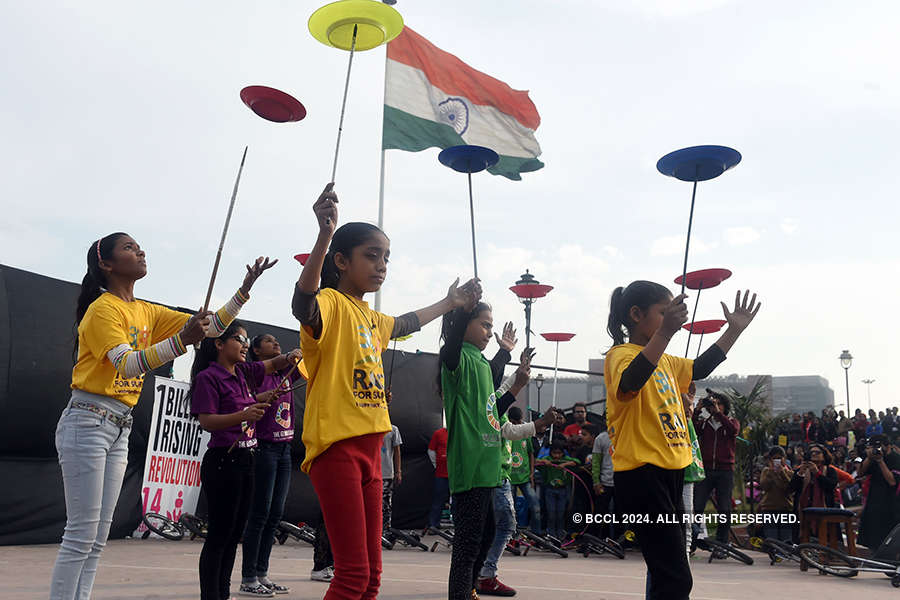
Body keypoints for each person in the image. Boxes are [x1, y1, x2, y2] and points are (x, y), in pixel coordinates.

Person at [50, 232, 270, 600]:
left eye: (138, 247)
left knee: (97, 537)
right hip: (88, 420)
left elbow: (212, 327)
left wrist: (244, 290)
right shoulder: (103, 309)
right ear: (106, 264)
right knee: (81, 535)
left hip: (119, 425)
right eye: (129, 248)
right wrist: (181, 340)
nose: (140, 251)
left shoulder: (145, 310)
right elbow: (128, 364)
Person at [290, 183, 480, 600]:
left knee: (373, 578)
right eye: (371, 256)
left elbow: (408, 322)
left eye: (386, 258)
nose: (381, 265)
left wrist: (450, 302)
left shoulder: (372, 317)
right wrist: (324, 234)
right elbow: (301, 304)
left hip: (373, 448)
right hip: (336, 448)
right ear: (341, 261)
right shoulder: (329, 302)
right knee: (352, 576)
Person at [605, 282, 760, 600]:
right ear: (636, 314)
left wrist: (734, 332)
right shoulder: (620, 355)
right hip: (642, 473)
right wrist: (665, 333)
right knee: (675, 578)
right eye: (663, 313)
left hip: (673, 471)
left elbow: (699, 367)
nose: (670, 319)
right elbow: (630, 381)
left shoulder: (668, 361)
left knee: (668, 573)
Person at [190, 321, 298, 600]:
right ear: (219, 344)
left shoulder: (241, 372)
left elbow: (272, 365)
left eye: (247, 340)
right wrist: (244, 415)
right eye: (240, 339)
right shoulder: (208, 377)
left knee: (234, 534)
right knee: (219, 536)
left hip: (247, 459)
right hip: (224, 461)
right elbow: (206, 421)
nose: (246, 345)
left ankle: (223, 594)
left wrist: (289, 357)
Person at [439, 294, 533, 600]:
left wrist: (505, 354)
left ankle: (471, 590)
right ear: (463, 322)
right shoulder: (456, 358)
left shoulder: (480, 361)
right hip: (470, 464)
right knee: (467, 545)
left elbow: (492, 408)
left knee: (489, 533)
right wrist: (463, 309)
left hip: (488, 465)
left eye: (491, 326)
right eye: (484, 324)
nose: (489, 332)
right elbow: (451, 346)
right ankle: (462, 594)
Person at [240, 334, 305, 596]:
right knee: (260, 514)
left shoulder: (286, 373)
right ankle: (248, 577)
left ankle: (262, 574)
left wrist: (301, 353)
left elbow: (308, 363)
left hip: (284, 450)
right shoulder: (254, 373)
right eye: (268, 341)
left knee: (275, 514)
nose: (276, 343)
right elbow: (245, 398)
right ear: (256, 350)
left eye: (276, 341)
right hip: (264, 448)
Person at [477, 385, 557, 596]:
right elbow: (510, 430)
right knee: (504, 526)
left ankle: (479, 573)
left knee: (494, 527)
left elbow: (502, 392)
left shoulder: (487, 411)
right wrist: (539, 423)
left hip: (500, 476)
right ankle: (485, 574)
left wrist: (520, 373)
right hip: (496, 476)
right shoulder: (492, 414)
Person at [692, 388, 740, 544]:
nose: (716, 407)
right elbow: (691, 429)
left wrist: (719, 414)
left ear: (725, 406)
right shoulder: (705, 424)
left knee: (724, 508)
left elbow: (733, 431)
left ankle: (722, 542)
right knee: (697, 506)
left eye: (719, 404)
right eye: (713, 405)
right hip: (706, 470)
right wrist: (697, 410)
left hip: (725, 471)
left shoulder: (731, 422)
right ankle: (692, 540)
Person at [858, 435, 900, 549]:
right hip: (874, 499)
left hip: (891, 502)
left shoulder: (896, 458)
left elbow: (892, 481)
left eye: (879, 446)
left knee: (887, 537)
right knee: (872, 535)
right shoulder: (873, 458)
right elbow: (860, 473)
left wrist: (880, 461)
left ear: (888, 446)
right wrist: (869, 457)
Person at [506, 407, 542, 535]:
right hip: (509, 479)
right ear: (510, 420)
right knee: (511, 509)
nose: (517, 425)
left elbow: (531, 454)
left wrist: (532, 473)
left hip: (525, 478)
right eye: (514, 422)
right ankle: (511, 533)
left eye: (519, 422)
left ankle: (537, 534)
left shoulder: (525, 433)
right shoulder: (506, 432)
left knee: (535, 506)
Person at [535, 441, 579, 540]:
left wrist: (564, 464)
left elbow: (576, 461)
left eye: (559, 453)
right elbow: (535, 462)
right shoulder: (548, 460)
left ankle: (560, 533)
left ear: (563, 453)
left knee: (560, 513)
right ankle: (551, 534)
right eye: (554, 453)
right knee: (551, 513)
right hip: (550, 490)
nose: (557, 456)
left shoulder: (565, 460)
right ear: (550, 453)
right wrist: (544, 462)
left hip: (562, 491)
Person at [758, 447, 794, 541]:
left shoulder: (790, 473)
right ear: (770, 460)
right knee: (771, 538)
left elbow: (788, 488)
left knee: (786, 539)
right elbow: (764, 486)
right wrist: (771, 472)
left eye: (779, 458)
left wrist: (782, 473)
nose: (777, 460)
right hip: (769, 508)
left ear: (784, 458)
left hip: (785, 508)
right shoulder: (766, 471)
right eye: (774, 458)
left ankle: (784, 555)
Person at [592, 418, 616, 540]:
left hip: (622, 483)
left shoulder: (627, 435)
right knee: (600, 513)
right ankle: (598, 539)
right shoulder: (600, 438)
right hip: (605, 483)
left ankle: (619, 541)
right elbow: (596, 463)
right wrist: (596, 482)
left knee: (621, 514)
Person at [381, 424, 402, 540]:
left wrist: (398, 471)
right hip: (371, 472)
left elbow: (397, 451)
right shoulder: (369, 426)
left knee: (386, 504)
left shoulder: (393, 429)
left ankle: (385, 530)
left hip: (386, 472)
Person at [427, 427, 450, 531]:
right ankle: (433, 524)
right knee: (438, 500)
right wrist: (436, 464)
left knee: (457, 502)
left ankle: (459, 527)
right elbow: (431, 450)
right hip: (441, 474)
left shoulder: (460, 431)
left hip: (457, 475)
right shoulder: (438, 433)